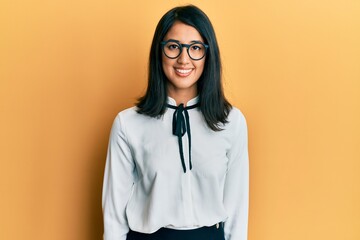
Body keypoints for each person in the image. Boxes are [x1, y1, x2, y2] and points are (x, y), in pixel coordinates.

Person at [102, 5, 249, 240]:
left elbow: (237, 212)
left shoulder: (231, 122)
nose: (184, 59)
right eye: (173, 47)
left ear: (208, 54)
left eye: (195, 48)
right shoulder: (128, 123)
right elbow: (114, 216)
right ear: (159, 52)